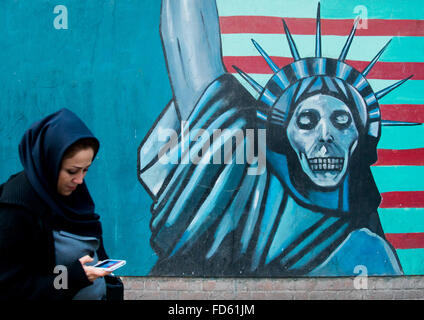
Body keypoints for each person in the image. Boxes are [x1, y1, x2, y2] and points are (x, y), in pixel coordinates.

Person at [138, 0, 408, 276]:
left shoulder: (367, 250)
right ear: (285, 137)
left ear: (359, 139)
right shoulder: (243, 185)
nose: (326, 135)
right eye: (307, 121)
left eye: (341, 120)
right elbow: (191, 54)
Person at [0, 108, 122, 300]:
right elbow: (13, 288)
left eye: (86, 170)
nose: (80, 180)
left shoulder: (74, 194)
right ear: (49, 161)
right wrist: (73, 278)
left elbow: (93, 241)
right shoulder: (16, 208)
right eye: (72, 171)